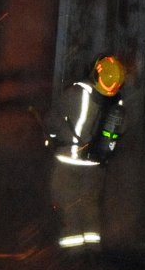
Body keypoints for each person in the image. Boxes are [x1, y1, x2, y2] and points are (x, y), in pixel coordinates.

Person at [44, 54, 127, 253]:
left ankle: (73, 258)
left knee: (68, 205)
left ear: (97, 71)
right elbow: (121, 128)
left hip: (68, 163)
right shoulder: (117, 103)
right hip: (96, 165)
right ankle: (93, 252)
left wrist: (51, 137)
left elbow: (53, 120)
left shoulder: (76, 93)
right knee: (90, 207)